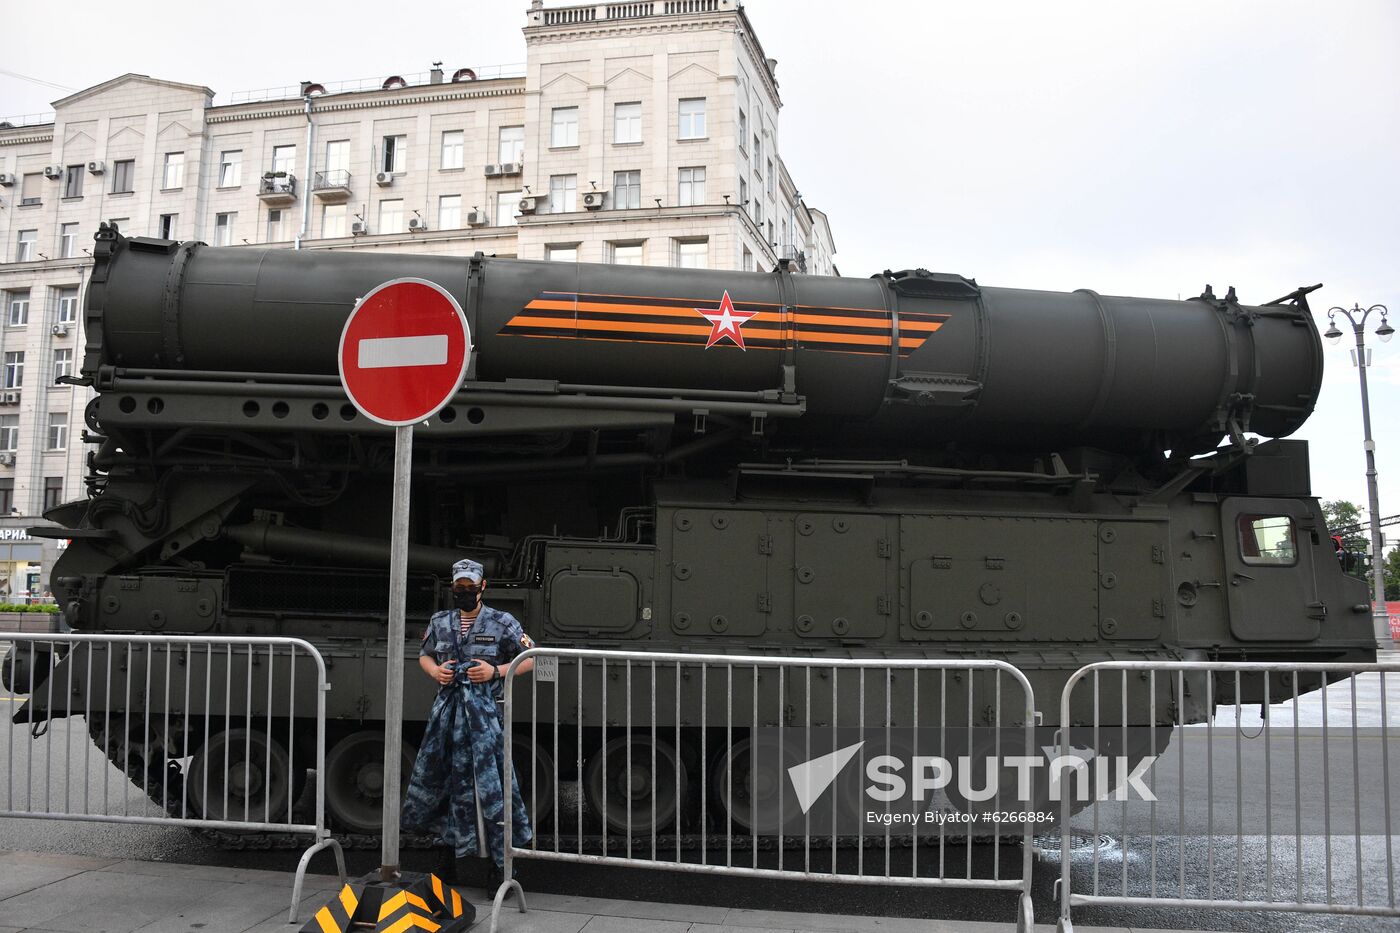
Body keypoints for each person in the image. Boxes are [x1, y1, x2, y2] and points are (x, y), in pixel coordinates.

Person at [401, 558, 536, 885]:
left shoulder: (502, 623)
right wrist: (435, 671)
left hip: (485, 723)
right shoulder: (440, 622)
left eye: (470, 588)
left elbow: (530, 658)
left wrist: (496, 672)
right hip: (446, 721)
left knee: (491, 792)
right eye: (459, 588)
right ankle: (446, 862)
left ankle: (500, 868)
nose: (463, 593)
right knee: (444, 786)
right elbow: (425, 654)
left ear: (482, 587)